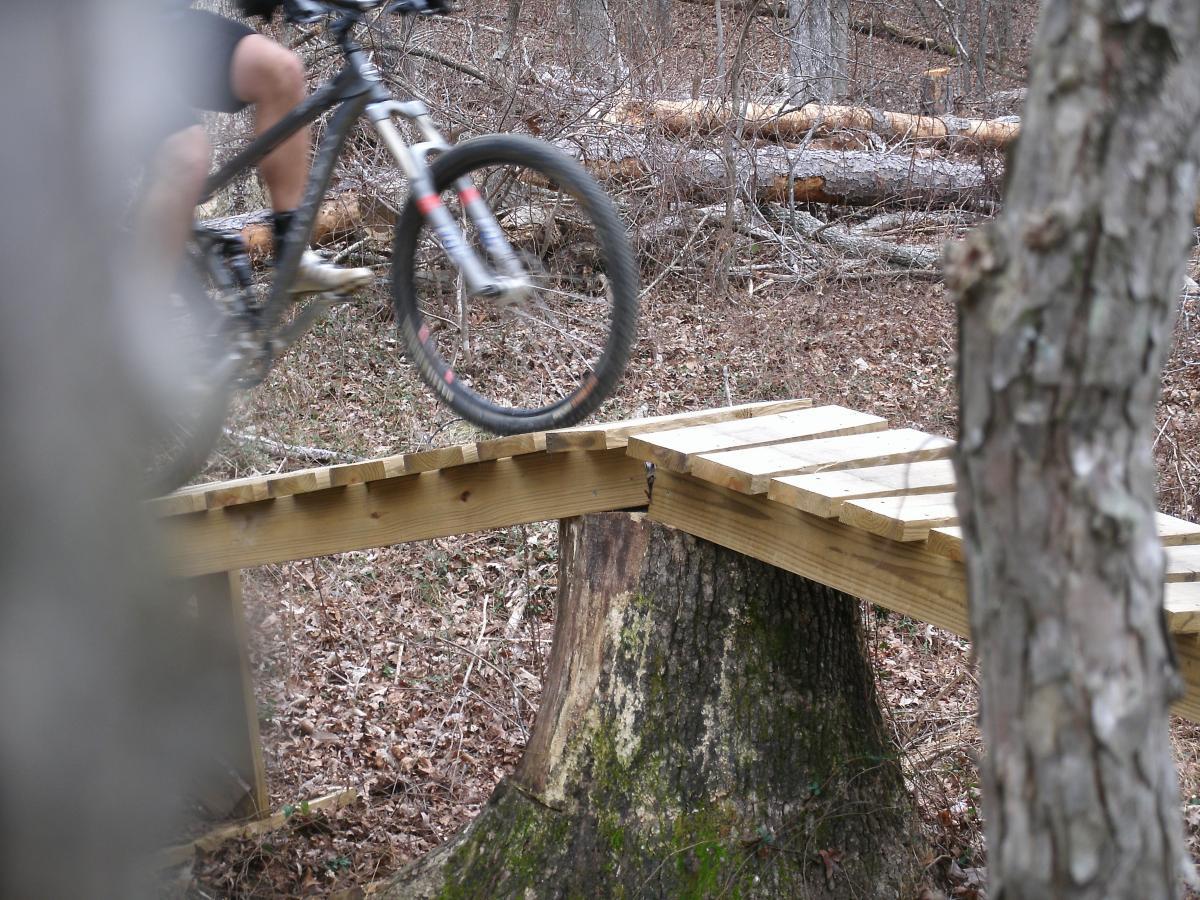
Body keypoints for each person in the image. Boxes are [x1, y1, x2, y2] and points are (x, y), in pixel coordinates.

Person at [146, 0, 372, 294]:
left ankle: (292, 255)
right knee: (186, 155)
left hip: (166, 26)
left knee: (280, 71)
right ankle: (136, 317)